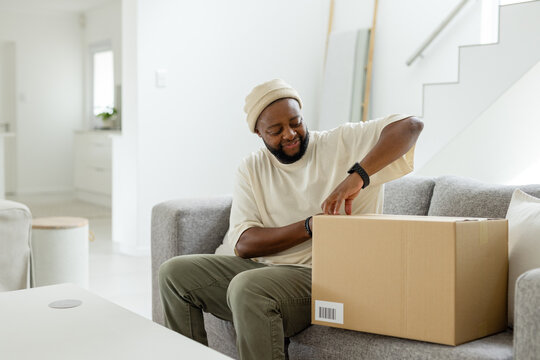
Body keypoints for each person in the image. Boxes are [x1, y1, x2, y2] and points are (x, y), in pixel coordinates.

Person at [159, 79, 423, 360]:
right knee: (173, 273)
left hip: (328, 277)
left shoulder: (342, 143)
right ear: (259, 134)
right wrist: (311, 226)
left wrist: (358, 176)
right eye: (275, 130)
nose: (290, 134)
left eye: (296, 122)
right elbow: (245, 244)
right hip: (266, 272)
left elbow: (411, 125)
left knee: (248, 287)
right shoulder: (252, 168)